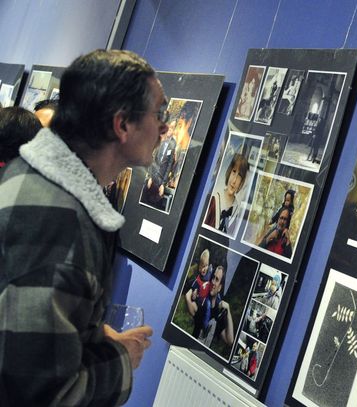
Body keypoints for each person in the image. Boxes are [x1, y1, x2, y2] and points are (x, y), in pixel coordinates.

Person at [0, 49, 163, 406]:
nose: (165, 128)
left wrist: (91, 335)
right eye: (158, 113)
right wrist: (121, 361)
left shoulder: (34, 180)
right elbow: (40, 394)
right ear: (122, 125)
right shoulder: (61, 222)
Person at [186, 265, 234, 347]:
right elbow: (188, 299)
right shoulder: (202, 301)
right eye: (213, 278)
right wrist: (193, 289)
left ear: (220, 287)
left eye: (217, 279)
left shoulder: (219, 313)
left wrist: (228, 311)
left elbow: (230, 341)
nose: (213, 282)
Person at [204, 153, 249, 235]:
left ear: (242, 181)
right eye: (234, 171)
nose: (234, 180)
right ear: (229, 171)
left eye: (239, 175)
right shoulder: (213, 201)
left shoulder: (237, 211)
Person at [140, 118, 176, 210]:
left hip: (160, 181)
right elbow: (153, 160)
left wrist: (163, 184)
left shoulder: (173, 144)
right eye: (169, 128)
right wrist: (150, 177)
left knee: (155, 204)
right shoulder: (161, 141)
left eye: (172, 129)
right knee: (144, 199)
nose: (169, 130)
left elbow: (169, 166)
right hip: (153, 177)